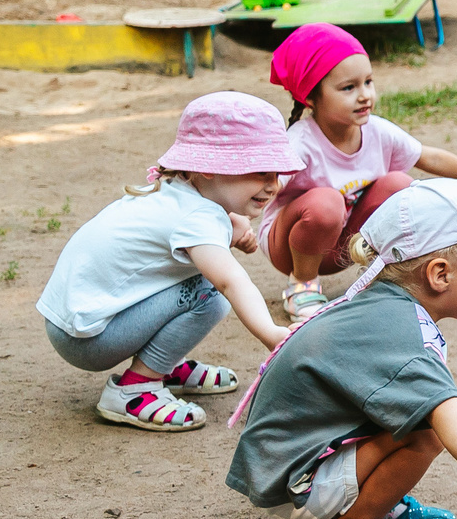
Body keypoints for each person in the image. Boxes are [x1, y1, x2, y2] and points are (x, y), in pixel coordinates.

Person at [225, 179, 457, 519]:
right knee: (427, 432)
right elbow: (446, 408)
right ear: (440, 274)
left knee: (413, 414)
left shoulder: (383, 306)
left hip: (290, 459)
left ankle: (380, 501)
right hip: (295, 483)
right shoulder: (398, 328)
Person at [37, 91, 296, 433]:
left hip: (76, 322)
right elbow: (230, 280)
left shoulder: (176, 190)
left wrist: (230, 225)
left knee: (196, 282)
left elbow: (191, 227)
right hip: (89, 339)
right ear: (207, 169)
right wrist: (272, 334)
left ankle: (162, 361)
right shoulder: (198, 219)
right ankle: (135, 388)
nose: (273, 185)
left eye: (275, 173)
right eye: (260, 172)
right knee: (209, 293)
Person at [262, 23, 457, 320]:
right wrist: (235, 220)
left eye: (368, 82)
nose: (365, 95)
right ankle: (302, 287)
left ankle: (384, 278)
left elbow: (429, 157)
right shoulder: (301, 142)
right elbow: (263, 183)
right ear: (310, 98)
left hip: (345, 246)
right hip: (292, 246)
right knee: (326, 202)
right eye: (348, 88)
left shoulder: (377, 132)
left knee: (399, 185)